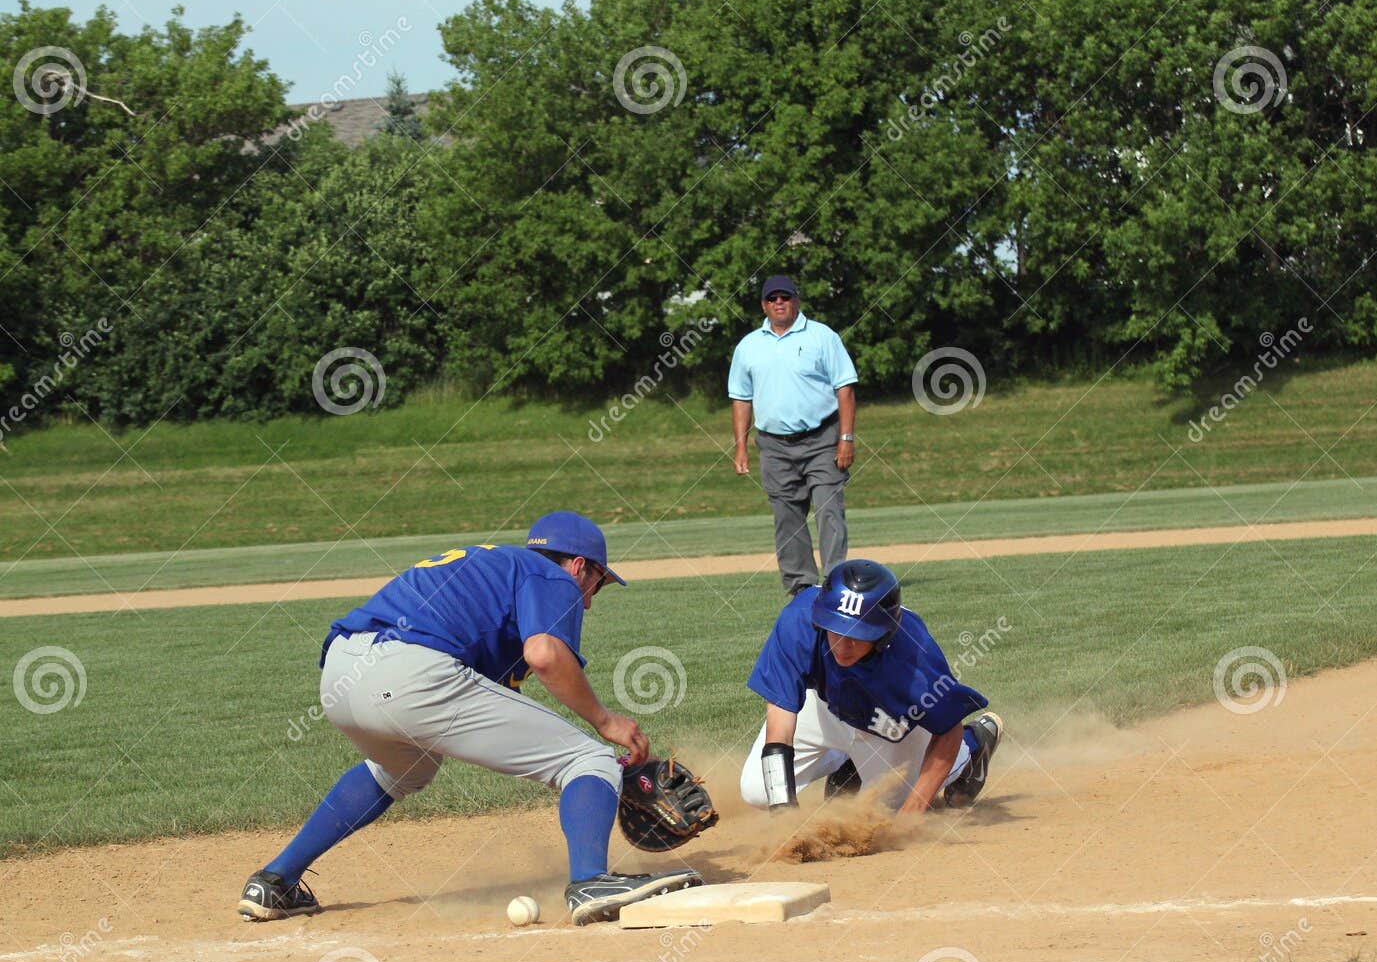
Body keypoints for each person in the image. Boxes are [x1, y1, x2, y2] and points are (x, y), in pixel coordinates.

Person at [236, 511, 701, 927]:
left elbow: (498, 710)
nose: (591, 602)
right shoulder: (552, 577)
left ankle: (275, 881)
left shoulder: (491, 570)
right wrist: (607, 724)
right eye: (597, 584)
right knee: (587, 760)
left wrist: (615, 787)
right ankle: (590, 883)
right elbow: (545, 656)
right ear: (581, 566)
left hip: (342, 673)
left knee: (405, 768)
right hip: (410, 671)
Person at [738, 558, 1004, 814]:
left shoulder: (914, 658)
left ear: (884, 632)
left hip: (888, 724)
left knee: (888, 808)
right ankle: (848, 762)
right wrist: (784, 813)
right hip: (824, 706)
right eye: (836, 629)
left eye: (857, 635)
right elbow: (780, 724)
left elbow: (948, 730)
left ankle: (972, 748)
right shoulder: (798, 620)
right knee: (759, 791)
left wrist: (911, 816)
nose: (843, 646)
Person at [729, 275, 858, 597]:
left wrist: (846, 439)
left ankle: (835, 583)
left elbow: (845, 388)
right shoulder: (748, 346)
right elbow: (741, 399)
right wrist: (741, 447)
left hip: (822, 438)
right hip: (773, 445)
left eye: (784, 297)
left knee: (829, 509)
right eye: (772, 299)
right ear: (763, 305)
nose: (778, 303)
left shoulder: (821, 336)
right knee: (787, 518)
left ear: (796, 300)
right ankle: (801, 587)